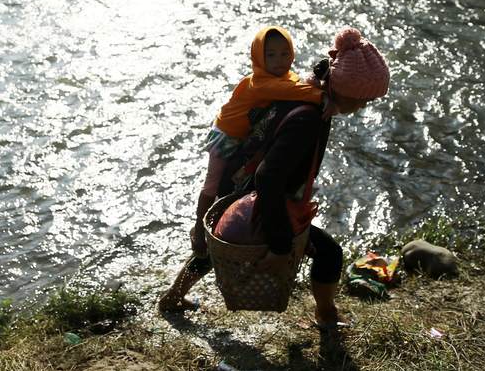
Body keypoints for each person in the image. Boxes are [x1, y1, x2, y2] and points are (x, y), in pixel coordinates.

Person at [159, 27, 390, 330]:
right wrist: (280, 245)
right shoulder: (310, 116)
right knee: (329, 253)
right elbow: (268, 178)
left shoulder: (306, 91)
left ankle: (173, 297)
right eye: (363, 99)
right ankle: (326, 317)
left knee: (216, 252)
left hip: (242, 185)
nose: (364, 106)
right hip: (257, 196)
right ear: (345, 88)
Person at [199, 26, 333, 217]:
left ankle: (223, 216)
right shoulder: (260, 83)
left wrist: (318, 78)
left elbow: (297, 84)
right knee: (212, 184)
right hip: (227, 133)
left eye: (284, 53)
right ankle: (199, 227)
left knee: (230, 179)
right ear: (259, 58)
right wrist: (322, 97)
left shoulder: (282, 77)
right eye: (271, 55)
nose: (279, 60)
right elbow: (292, 91)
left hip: (245, 133)